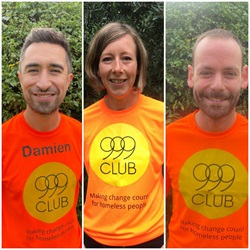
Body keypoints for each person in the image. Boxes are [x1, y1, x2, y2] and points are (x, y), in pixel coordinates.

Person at [84, 22, 164, 248]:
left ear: (138, 66)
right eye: (107, 59)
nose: (117, 68)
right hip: (93, 240)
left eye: (126, 58)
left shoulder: (161, 116)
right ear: (97, 67)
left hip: (151, 240)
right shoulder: (84, 121)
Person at [166, 29, 248, 248]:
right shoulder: (168, 139)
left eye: (230, 73)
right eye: (207, 72)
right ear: (191, 76)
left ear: (244, 77)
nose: (217, 85)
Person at [2, 28, 82, 248]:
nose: (44, 83)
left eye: (54, 70)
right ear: (21, 78)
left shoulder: (83, 135)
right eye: (33, 70)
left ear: (68, 80)